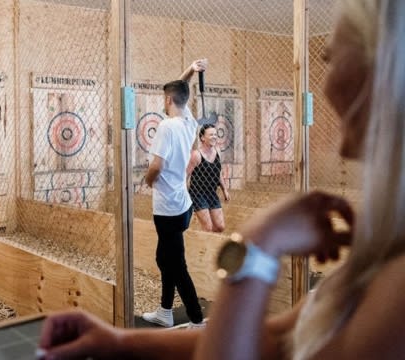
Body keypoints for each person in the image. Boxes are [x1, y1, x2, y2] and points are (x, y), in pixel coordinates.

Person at [37, 0, 405, 358]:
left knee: (172, 259)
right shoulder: (385, 251)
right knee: (172, 258)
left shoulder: (396, 287)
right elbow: (277, 339)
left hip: (172, 202)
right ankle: (174, 312)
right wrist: (118, 344)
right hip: (182, 201)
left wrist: (259, 241)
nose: (322, 88)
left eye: (334, 58)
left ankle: (192, 314)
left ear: (388, 64)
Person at [141, 58, 208, 329]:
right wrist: (191, 70)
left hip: (167, 208)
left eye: (164, 98)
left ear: (168, 99)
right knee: (164, 257)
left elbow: (156, 166)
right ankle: (165, 311)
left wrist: (146, 181)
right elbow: (183, 89)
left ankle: (197, 319)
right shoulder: (188, 121)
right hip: (183, 206)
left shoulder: (167, 126)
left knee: (176, 265)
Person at [187, 124, 230, 232]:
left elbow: (218, 172)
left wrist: (224, 189)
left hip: (212, 193)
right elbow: (186, 175)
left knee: (220, 227)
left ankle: (209, 242)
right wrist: (185, 196)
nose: (214, 137)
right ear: (202, 138)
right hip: (198, 194)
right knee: (208, 228)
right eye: (211, 135)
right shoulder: (196, 155)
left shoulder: (217, 151)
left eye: (215, 134)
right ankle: (203, 246)